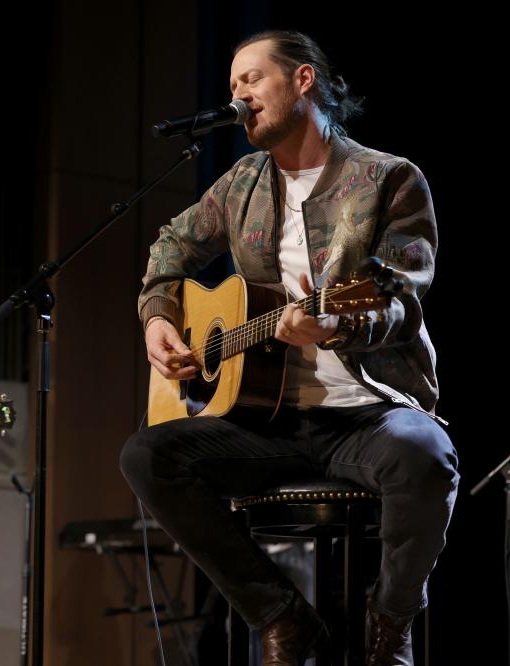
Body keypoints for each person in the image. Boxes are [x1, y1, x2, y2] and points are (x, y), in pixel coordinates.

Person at [120, 31, 458, 666]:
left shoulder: (386, 179)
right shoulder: (242, 183)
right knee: (147, 455)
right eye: (232, 88)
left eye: (251, 79)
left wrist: (339, 327)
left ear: (303, 80)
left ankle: (389, 627)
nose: (239, 95)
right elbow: (169, 247)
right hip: (267, 421)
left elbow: (400, 297)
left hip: (368, 411)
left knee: (426, 454)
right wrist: (157, 318)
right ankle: (282, 616)